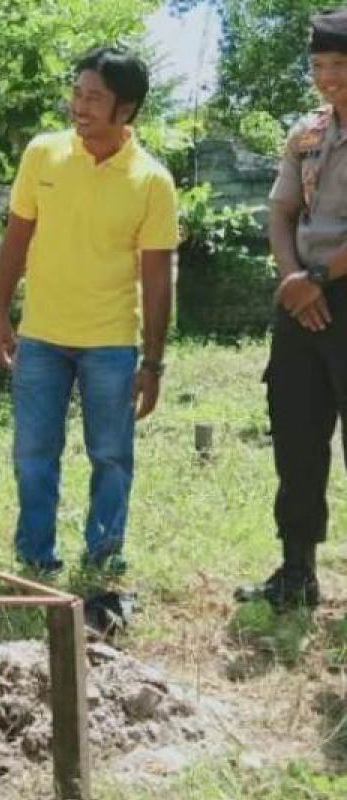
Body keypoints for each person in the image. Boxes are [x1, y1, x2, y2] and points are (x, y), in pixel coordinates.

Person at [0, 47, 177, 576]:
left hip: (111, 343)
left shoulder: (151, 180)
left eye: (95, 97)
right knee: (32, 456)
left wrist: (153, 362)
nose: (80, 106)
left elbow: (158, 277)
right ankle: (35, 559)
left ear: (127, 109)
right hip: (41, 337)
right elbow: (15, 240)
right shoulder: (43, 154)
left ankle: (103, 557)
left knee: (112, 457)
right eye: (76, 93)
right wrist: (0, 315)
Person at [235, 10, 347, 610]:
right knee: (297, 436)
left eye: (340, 66)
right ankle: (296, 571)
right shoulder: (305, 132)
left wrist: (321, 277)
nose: (328, 78)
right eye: (319, 66)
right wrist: (294, 280)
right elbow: (280, 213)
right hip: (302, 296)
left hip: (336, 286)